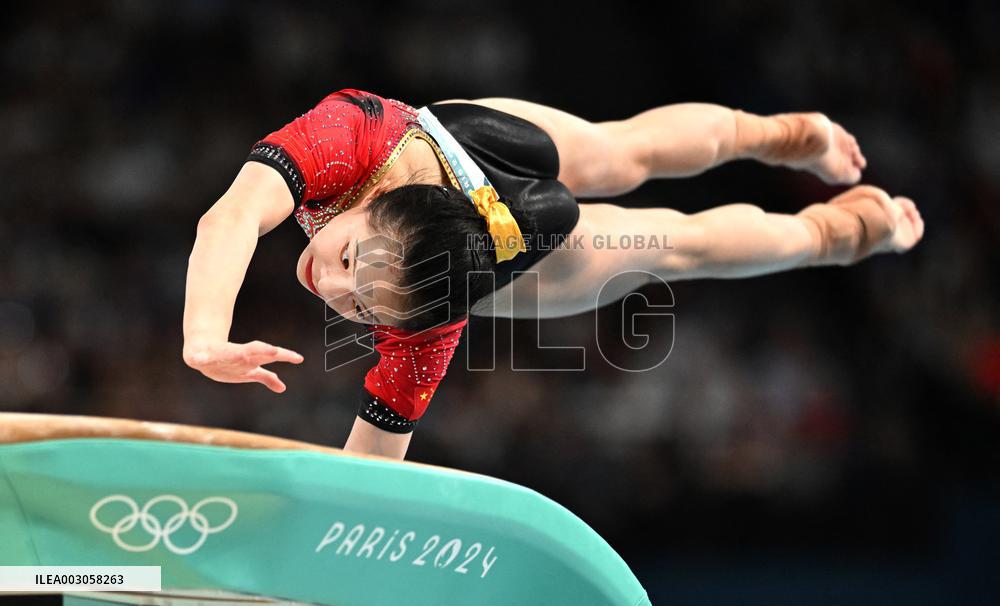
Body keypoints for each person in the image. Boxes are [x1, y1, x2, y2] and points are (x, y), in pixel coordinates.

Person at [183, 88, 924, 460]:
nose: (331, 285)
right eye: (359, 289)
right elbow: (231, 218)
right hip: (489, 198)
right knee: (670, 235)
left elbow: (232, 220)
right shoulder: (419, 290)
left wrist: (204, 337)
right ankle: (842, 227)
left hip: (485, 171)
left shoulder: (414, 283)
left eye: (356, 276)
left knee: (635, 163)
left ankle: (798, 141)